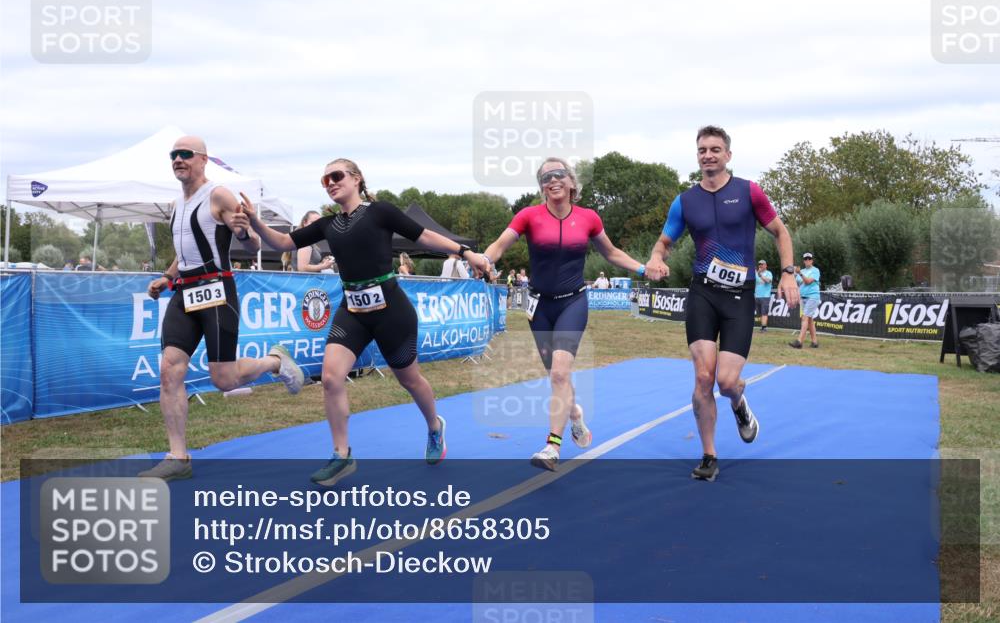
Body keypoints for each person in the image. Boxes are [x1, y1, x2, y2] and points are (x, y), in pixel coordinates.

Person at [233, 158, 490, 486]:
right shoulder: (327, 224)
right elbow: (284, 243)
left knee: (410, 379)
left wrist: (466, 252)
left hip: (391, 310)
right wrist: (255, 221)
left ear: (356, 179)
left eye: (336, 176)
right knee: (330, 378)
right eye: (325, 179)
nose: (330, 182)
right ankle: (341, 455)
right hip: (352, 310)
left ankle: (434, 426)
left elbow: (424, 236)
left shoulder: (380, 212)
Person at [138, 135, 305, 481]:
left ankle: (275, 361)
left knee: (224, 380)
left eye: (185, 154)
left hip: (216, 289)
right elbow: (185, 253)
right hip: (184, 292)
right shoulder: (176, 204)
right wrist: (167, 278)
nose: (178, 159)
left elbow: (252, 244)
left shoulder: (218, 195)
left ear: (203, 159)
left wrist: (243, 233)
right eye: (173, 155)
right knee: (169, 370)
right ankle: (178, 457)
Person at [483, 157, 661, 471]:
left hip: (573, 303)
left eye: (558, 174)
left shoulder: (588, 218)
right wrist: (485, 261)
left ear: (571, 182)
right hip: (539, 307)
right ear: (541, 187)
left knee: (559, 374)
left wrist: (643, 269)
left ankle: (552, 447)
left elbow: (611, 252)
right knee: (557, 376)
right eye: (545, 177)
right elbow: (499, 245)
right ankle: (575, 414)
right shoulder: (528, 216)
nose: (552, 180)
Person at [644, 126, 799, 482]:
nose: (708, 155)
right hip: (703, 292)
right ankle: (709, 455)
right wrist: (655, 257)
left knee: (727, 382)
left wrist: (788, 273)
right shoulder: (685, 201)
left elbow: (781, 231)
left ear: (728, 155)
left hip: (739, 296)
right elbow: (663, 242)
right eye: (702, 150)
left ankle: (738, 402)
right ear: (697, 156)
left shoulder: (749, 191)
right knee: (703, 377)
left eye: (715, 149)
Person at [790, 252, 821, 349]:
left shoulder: (815, 270)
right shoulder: (801, 271)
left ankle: (799, 341)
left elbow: (807, 282)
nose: (807, 260)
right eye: (805, 259)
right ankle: (814, 342)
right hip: (803, 297)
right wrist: (793, 273)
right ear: (804, 261)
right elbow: (796, 283)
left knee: (804, 318)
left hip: (813, 297)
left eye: (809, 259)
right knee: (810, 320)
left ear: (812, 260)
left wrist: (799, 273)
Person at [754, 260, 773, 332]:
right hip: (757, 296)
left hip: (765, 296)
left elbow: (768, 281)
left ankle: (764, 327)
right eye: (759, 264)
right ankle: (762, 326)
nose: (760, 265)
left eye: (762, 264)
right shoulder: (756, 273)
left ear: (766, 265)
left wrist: (760, 275)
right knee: (759, 313)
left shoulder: (768, 273)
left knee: (764, 312)